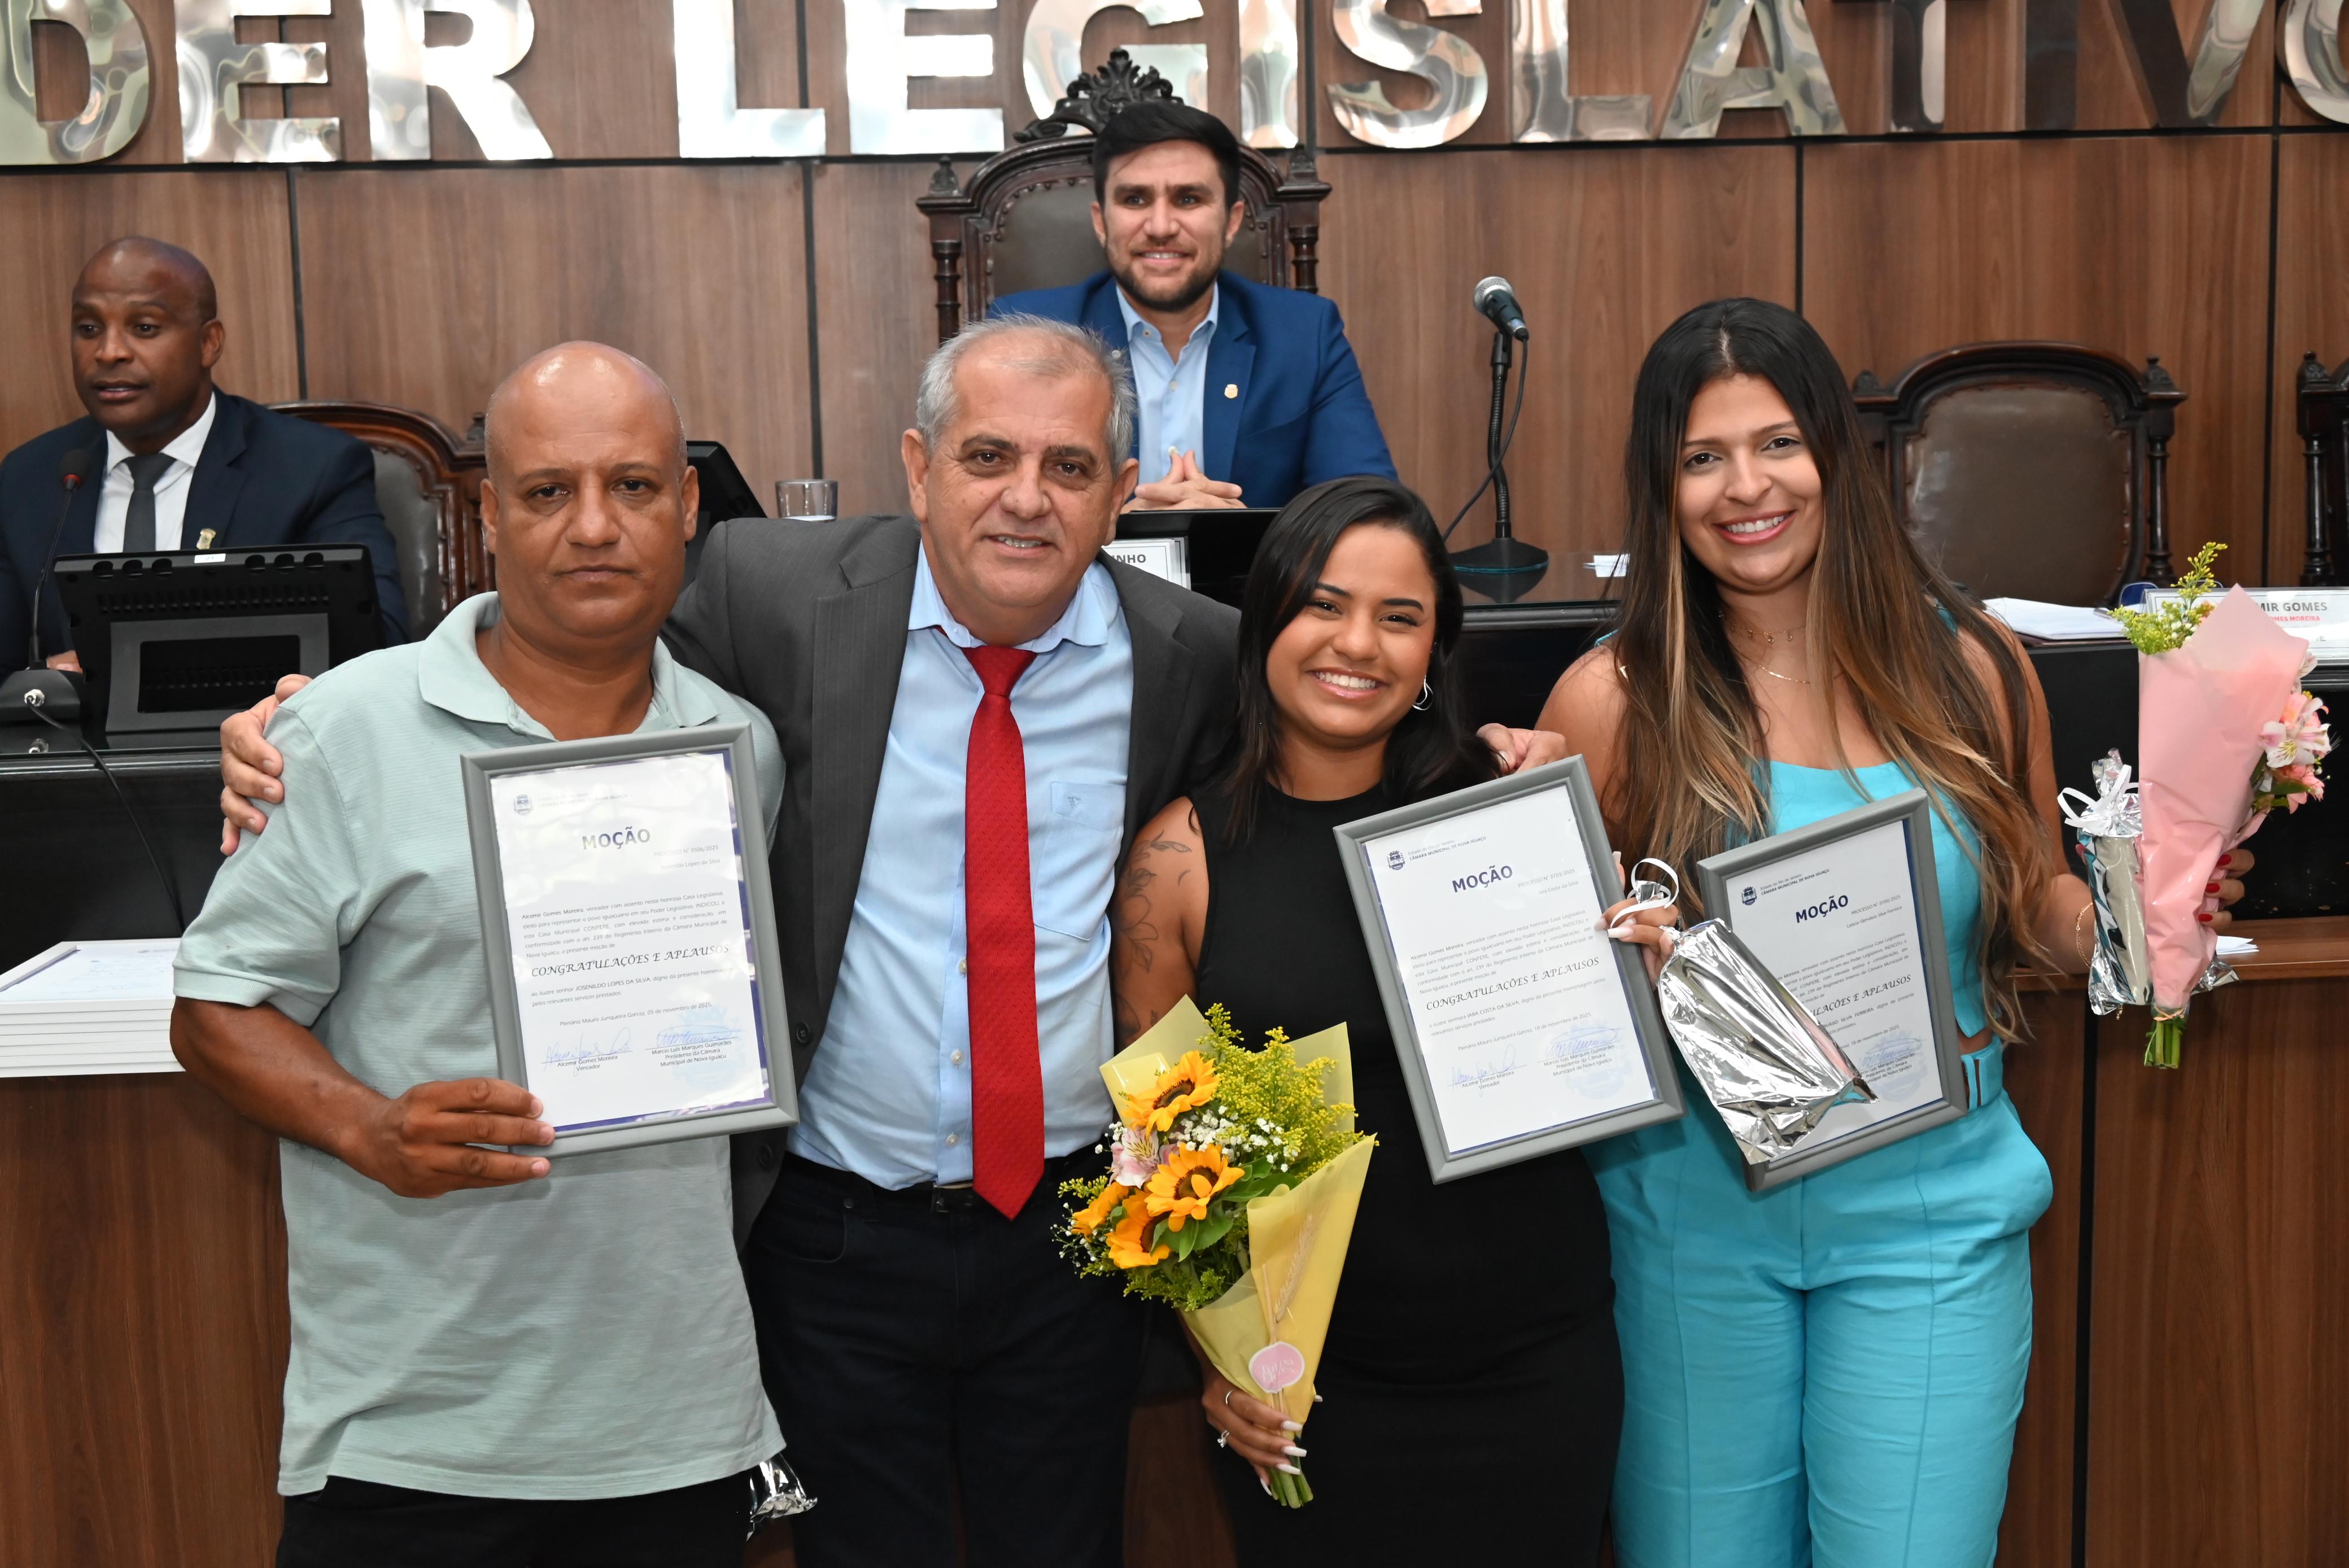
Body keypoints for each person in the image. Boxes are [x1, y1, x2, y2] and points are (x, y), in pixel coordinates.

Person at [215, 316, 1558, 1565]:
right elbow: (573, 629)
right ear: (917, 466)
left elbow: (1317, 777)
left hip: (1074, 1236)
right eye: (986, 456)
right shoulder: (770, 593)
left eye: (1067, 465)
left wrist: (1483, 759)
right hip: (833, 1234)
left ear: (1121, 488)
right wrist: (317, 709)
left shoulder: (1193, 652)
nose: (1023, 497)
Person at [1539, 298, 2254, 1567]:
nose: (1744, 487)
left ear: (1835, 456)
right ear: (1661, 485)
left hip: (1929, 1203)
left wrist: (2157, 911)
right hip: (1695, 1207)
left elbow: (2033, 905)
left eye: (1775, 444)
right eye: (1702, 457)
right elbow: (1562, 997)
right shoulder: (1613, 698)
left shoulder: (1969, 665)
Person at [171, 343, 783, 1567]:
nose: (595, 526)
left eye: (636, 486)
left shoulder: (739, 746)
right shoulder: (341, 727)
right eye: (548, 491)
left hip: (680, 1428)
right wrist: (366, 1127)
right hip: (415, 1430)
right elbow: (217, 1007)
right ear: (488, 513)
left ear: (690, 506)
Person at [1110, 476, 1622, 1563]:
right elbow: (1154, 1152)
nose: (1359, 644)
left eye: (1401, 618)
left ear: (1438, 650)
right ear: (1266, 625)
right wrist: (1219, 1360)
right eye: (1324, 606)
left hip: (1537, 1360)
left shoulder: (1510, 806)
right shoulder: (1180, 859)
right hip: (1308, 1392)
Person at [0, 237, 408, 669]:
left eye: (144, 328)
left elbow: (377, 644)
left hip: (254, 732)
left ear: (209, 343)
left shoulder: (314, 469)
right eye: (88, 329)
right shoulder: (30, 478)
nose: (108, 351)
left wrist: (140, 669)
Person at [993, 100, 1395, 513]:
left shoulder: (1305, 334)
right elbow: (989, 504)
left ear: (1232, 221)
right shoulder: (1025, 335)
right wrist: (1118, 538)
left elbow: (1367, 508)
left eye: (1188, 199)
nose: (1161, 227)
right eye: (1135, 199)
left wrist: (1244, 539)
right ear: (1101, 221)